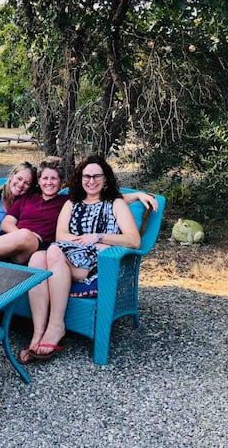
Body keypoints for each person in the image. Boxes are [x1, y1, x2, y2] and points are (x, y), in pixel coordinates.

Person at [19, 154, 155, 364]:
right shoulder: (72, 203)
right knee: (37, 257)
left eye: (96, 176)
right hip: (69, 255)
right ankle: (37, 333)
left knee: (52, 251)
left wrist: (99, 237)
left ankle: (56, 325)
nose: (91, 181)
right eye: (86, 176)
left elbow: (134, 240)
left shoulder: (115, 203)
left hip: (95, 264)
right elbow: (61, 235)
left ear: (105, 178)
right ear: (80, 179)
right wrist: (84, 241)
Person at [0, 156, 68, 264]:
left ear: (61, 182)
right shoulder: (20, 198)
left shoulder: (66, 202)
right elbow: (5, 223)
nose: (48, 182)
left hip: (34, 249)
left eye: (54, 178)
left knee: (29, 241)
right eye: (45, 178)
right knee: (19, 232)